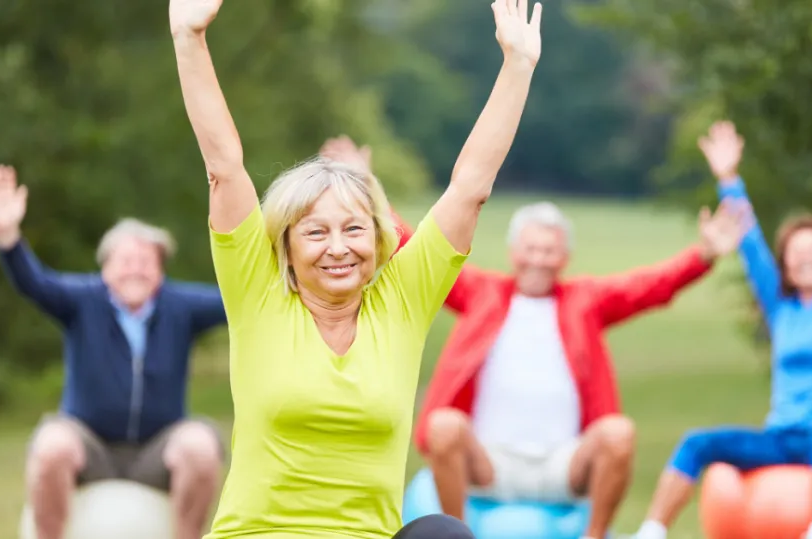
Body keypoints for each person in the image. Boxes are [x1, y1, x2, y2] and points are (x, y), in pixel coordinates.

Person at [168, 0, 542, 536]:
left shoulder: (401, 304)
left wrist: (517, 67)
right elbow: (223, 168)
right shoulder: (258, 295)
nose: (338, 247)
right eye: (316, 232)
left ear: (379, 235)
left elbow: (469, 189)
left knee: (444, 532)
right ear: (288, 248)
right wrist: (189, 38)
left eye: (354, 229)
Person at [319, 135, 748, 539]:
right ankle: (459, 534)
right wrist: (364, 185)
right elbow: (416, 247)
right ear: (513, 253)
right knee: (444, 425)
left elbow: (647, 286)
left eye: (549, 249)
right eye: (531, 248)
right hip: (489, 463)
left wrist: (703, 255)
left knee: (618, 433)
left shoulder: (586, 301)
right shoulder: (481, 293)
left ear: (564, 256)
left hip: (562, 464)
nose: (539, 259)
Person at [629, 108, 812, 539]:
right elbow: (751, 244)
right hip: (781, 438)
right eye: (794, 253)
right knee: (697, 441)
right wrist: (728, 178)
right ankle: (651, 530)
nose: (804, 257)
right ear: (785, 267)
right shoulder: (780, 308)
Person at [0, 165, 229, 539]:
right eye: (126, 261)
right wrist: (7, 237)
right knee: (51, 447)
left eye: (146, 262)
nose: (136, 270)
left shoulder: (180, 306)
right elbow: (33, 282)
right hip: (89, 444)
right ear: (106, 268)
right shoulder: (83, 300)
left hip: (158, 448)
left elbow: (239, 298)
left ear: (160, 272)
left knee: (200, 446)